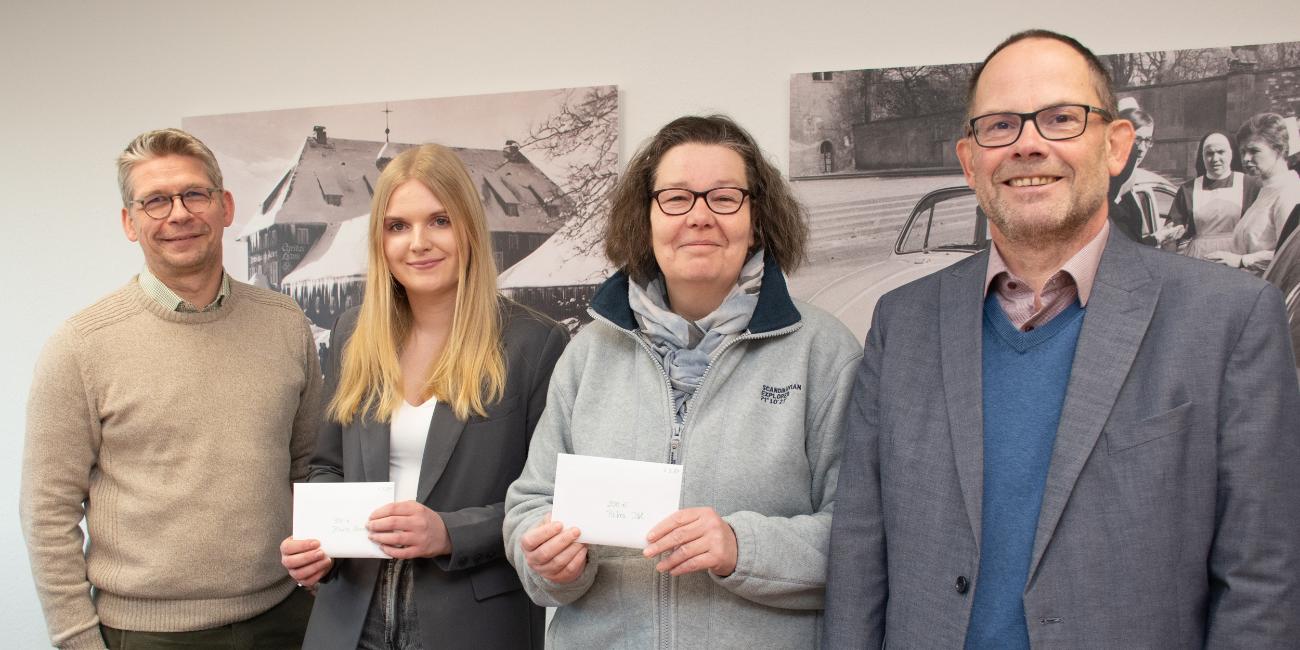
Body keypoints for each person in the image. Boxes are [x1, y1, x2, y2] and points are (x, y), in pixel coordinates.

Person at [825, 30, 1300, 648]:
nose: (1028, 144)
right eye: (1000, 126)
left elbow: (1262, 582)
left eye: (1060, 119)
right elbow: (861, 552)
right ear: (970, 162)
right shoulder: (901, 322)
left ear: (1115, 146)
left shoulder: (1229, 322)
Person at [503, 115, 862, 648]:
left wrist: (741, 545)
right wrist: (546, 558)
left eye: (723, 197)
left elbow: (859, 536)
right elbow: (531, 502)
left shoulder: (824, 353)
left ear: (757, 218)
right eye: (675, 198)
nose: (699, 217)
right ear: (645, 218)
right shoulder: (588, 354)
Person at [20, 128, 323, 649]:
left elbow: (309, 468)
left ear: (225, 207)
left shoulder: (284, 323)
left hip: (286, 618)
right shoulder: (80, 346)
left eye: (194, 194)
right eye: (155, 201)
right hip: (146, 635)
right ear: (129, 223)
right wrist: (77, 642)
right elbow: (47, 512)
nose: (178, 214)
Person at [279, 144, 566, 649]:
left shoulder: (534, 344)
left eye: (439, 221)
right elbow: (328, 466)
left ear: (469, 229)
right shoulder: (353, 334)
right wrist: (319, 543)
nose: (418, 243)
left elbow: (551, 502)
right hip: (350, 619)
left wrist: (451, 532)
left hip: (471, 623)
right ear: (380, 241)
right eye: (397, 226)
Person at [1205, 113, 1300, 275]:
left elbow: (1291, 256)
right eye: (1243, 152)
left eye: (1254, 151)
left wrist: (1242, 261)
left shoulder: (1289, 193)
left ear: (1279, 149)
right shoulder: (1266, 190)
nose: (1246, 158)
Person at [1161, 131, 1261, 259]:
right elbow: (1171, 234)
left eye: (1221, 152)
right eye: (1209, 153)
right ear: (1202, 157)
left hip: (1236, 256)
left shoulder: (1250, 184)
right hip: (1199, 257)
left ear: (1231, 154)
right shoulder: (1188, 189)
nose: (1215, 159)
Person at [1107, 107, 1156, 244]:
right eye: (1137, 139)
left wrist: (1156, 239)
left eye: (1148, 140)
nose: (1142, 148)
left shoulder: (1130, 187)